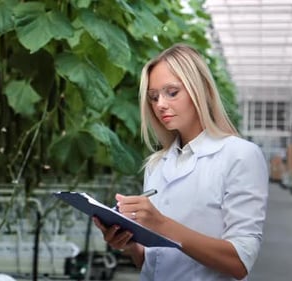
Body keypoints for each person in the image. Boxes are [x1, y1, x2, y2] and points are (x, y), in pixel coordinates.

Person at [93, 43, 269, 281]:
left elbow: (239, 262)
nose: (160, 105)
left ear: (202, 90)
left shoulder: (240, 155)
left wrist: (161, 224)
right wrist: (129, 244)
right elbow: (151, 262)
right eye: (154, 97)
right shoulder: (157, 164)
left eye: (172, 92)